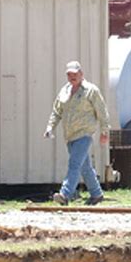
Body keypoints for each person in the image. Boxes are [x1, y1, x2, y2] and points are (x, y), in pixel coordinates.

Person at [44, 60, 110, 205]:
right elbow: (57, 111)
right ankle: (97, 194)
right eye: (69, 74)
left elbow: (102, 111)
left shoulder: (91, 90)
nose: (72, 77)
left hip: (84, 134)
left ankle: (65, 194)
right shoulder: (64, 91)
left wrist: (104, 130)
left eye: (74, 74)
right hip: (70, 136)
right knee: (85, 167)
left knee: (74, 164)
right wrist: (50, 127)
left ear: (81, 74)